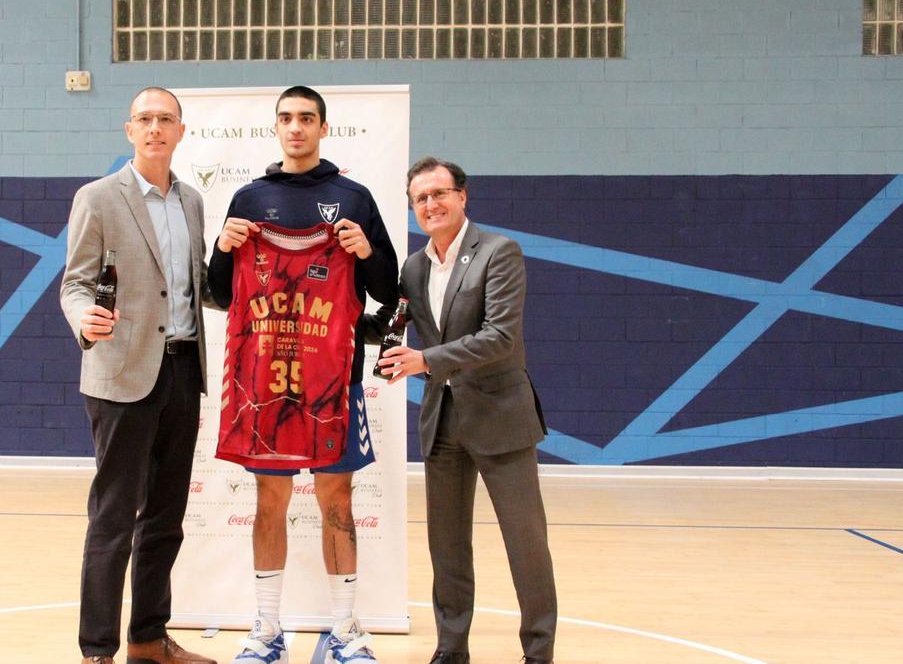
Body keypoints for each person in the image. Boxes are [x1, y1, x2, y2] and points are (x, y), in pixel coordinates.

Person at [208, 85, 399, 664]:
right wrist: (222, 247)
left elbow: (389, 291)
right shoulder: (248, 197)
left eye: (307, 119)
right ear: (277, 127)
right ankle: (265, 629)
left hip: (332, 380)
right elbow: (223, 294)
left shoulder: (355, 198)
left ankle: (346, 629)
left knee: (336, 498)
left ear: (323, 128)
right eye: (287, 118)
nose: (297, 127)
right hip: (265, 381)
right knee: (270, 499)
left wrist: (366, 251)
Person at [375, 157, 558, 664]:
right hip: (443, 422)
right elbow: (390, 324)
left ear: (462, 196)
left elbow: (499, 337)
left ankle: (538, 652)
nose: (431, 205)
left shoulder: (499, 252)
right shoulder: (413, 267)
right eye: (421, 199)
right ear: (413, 208)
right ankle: (451, 650)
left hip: (501, 417)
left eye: (440, 194)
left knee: (526, 544)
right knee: (448, 549)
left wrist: (424, 360)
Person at [60, 87, 218, 664]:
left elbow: (198, 284)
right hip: (120, 375)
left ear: (181, 131)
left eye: (166, 119)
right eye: (145, 119)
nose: (155, 127)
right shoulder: (99, 198)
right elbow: (75, 282)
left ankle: (148, 640)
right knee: (113, 518)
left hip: (182, 371)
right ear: (130, 130)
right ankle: (97, 651)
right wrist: (87, 319)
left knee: (166, 518)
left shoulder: (194, 201)